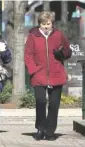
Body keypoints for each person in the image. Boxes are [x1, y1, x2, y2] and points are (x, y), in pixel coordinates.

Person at [24, 11, 72, 141]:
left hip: (56, 73)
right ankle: (40, 128)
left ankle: (50, 131)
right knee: (41, 101)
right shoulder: (33, 36)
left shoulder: (59, 34)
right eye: (43, 24)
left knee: (54, 104)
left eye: (48, 24)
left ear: (52, 23)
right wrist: (34, 70)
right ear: (39, 24)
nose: (46, 26)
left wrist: (62, 54)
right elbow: (28, 55)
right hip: (39, 74)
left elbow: (68, 52)